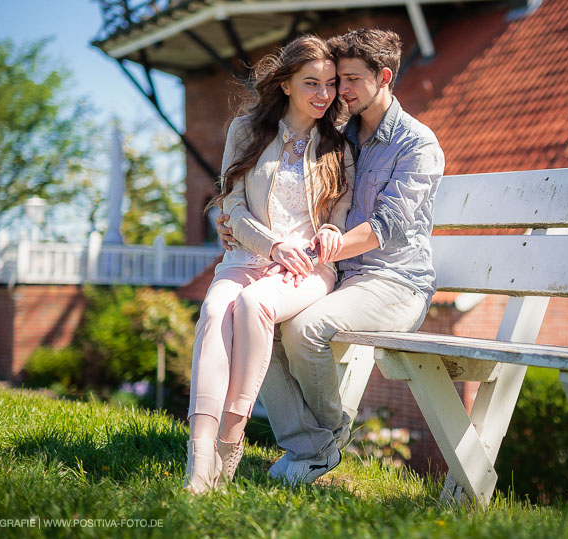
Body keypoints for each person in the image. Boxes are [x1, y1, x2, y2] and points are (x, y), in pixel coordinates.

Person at [217, 28, 445, 485]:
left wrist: (331, 242)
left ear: (384, 77)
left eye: (352, 79)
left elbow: (386, 226)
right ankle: (310, 446)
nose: (341, 90)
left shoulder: (418, 144)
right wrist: (238, 227)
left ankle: (326, 440)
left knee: (305, 328)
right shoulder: (337, 135)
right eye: (338, 79)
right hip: (338, 277)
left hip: (395, 282)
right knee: (261, 322)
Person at [184, 35, 355, 494]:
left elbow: (337, 218)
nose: (324, 94)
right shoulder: (245, 131)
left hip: (307, 270)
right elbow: (232, 207)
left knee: (254, 304)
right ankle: (200, 457)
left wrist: (326, 237)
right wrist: (273, 245)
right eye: (311, 83)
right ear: (285, 85)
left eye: (331, 84)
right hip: (245, 256)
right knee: (217, 310)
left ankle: (231, 435)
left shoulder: (339, 146)